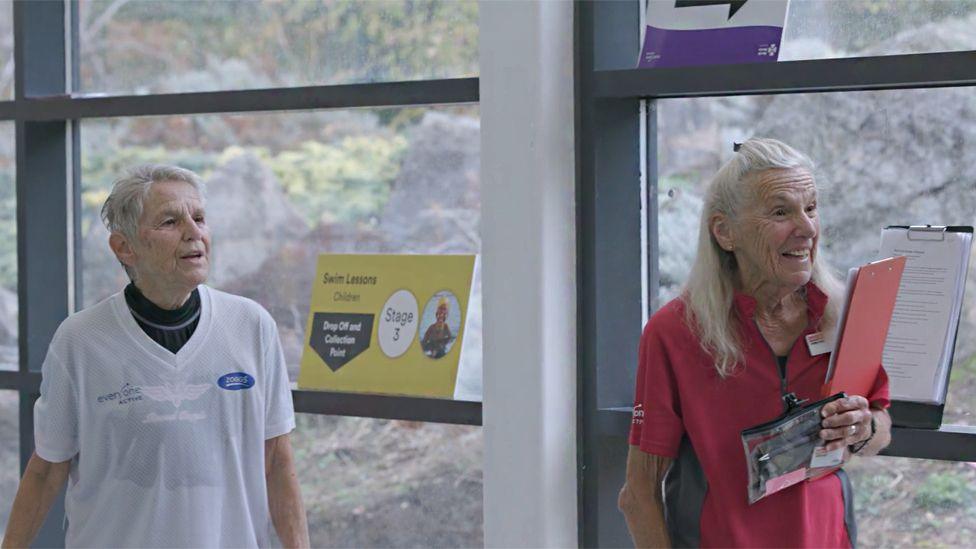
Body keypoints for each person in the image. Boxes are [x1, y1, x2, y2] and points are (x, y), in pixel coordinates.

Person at [1, 165, 310, 548]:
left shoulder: (251, 325)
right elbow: (48, 470)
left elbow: (277, 461)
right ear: (124, 247)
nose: (194, 233)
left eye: (199, 218)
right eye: (170, 222)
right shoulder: (80, 340)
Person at [618, 138, 892, 548]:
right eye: (781, 211)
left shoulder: (841, 315)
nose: (807, 228)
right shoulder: (675, 333)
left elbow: (881, 427)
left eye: (811, 208)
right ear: (725, 232)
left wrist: (862, 426)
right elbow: (638, 496)